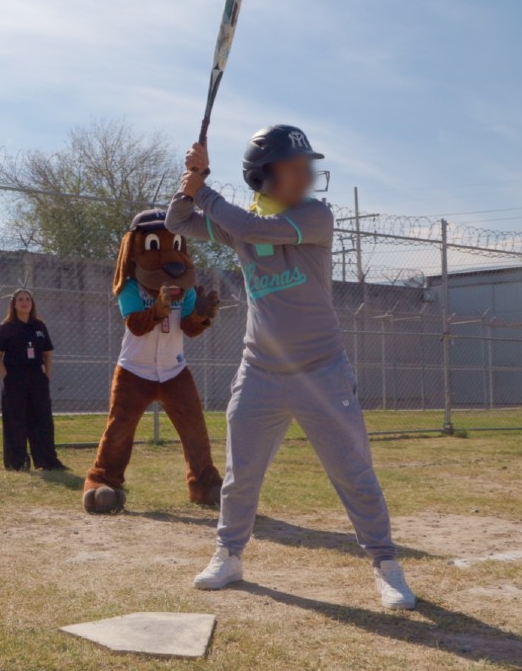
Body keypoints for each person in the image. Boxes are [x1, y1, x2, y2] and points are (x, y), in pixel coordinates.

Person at [166, 125, 417, 610]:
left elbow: (254, 229)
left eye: (309, 167)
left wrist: (206, 188)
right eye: (295, 167)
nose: (307, 176)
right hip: (260, 370)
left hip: (322, 371)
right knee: (242, 474)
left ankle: (386, 564)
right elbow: (179, 221)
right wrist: (190, 180)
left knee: (353, 472)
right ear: (264, 174)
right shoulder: (239, 220)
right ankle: (229, 555)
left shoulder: (313, 215)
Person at [0, 289, 65, 471]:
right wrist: (7, 377)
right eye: (20, 300)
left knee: (42, 419)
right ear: (14, 305)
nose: (24, 303)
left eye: (28, 299)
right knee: (15, 420)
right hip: (15, 377)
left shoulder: (39, 326)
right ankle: (17, 462)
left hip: (37, 377)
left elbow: (48, 354)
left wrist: (45, 377)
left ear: (32, 304)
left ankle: (47, 461)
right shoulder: (6, 327)